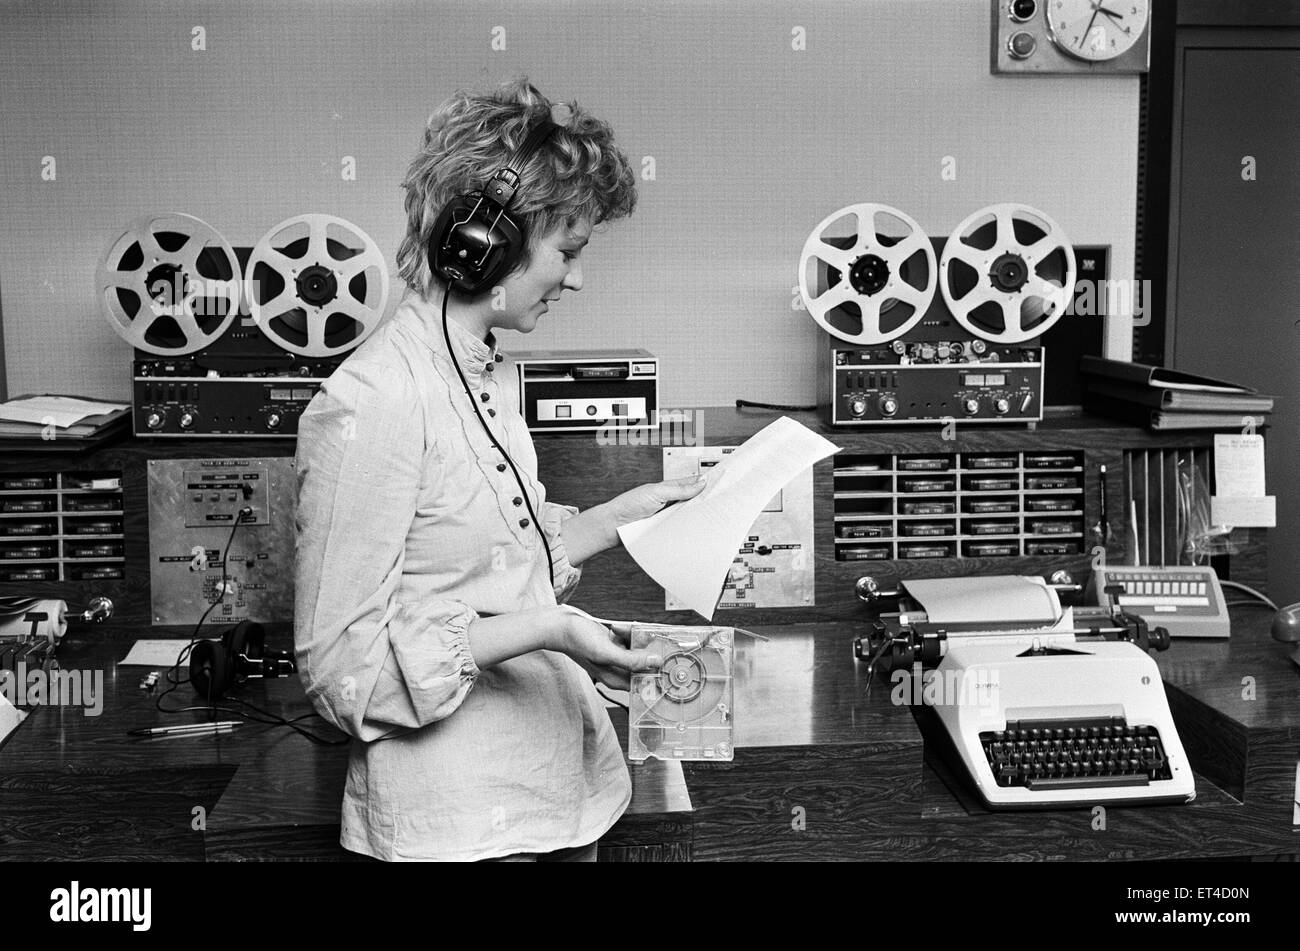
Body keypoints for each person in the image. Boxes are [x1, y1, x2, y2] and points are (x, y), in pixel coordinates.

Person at [292, 78, 703, 862]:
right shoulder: (373, 401)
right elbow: (345, 671)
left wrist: (636, 509)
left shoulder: (477, 375)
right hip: (462, 828)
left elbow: (493, 563)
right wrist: (551, 627)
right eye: (569, 252)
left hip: (549, 798)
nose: (576, 279)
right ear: (488, 242)